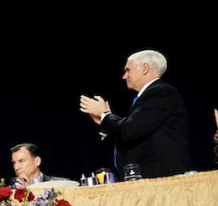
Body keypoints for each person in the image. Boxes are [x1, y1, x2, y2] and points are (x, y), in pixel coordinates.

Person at [79, 49, 192, 179]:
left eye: (128, 70)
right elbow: (132, 131)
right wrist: (104, 120)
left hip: (162, 177)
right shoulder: (149, 95)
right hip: (148, 177)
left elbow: (131, 129)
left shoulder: (160, 92)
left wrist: (105, 115)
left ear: (145, 68)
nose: (124, 76)